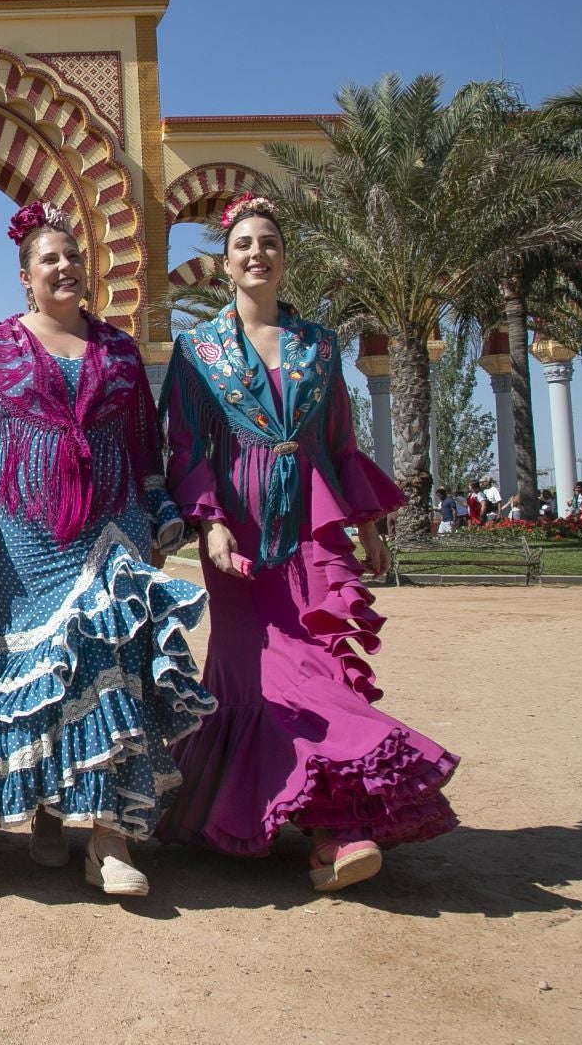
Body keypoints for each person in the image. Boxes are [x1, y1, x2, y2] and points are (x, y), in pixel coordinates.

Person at [157, 193, 458, 891]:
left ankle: (335, 831)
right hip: (237, 535)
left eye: (269, 242)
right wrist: (212, 521)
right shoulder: (198, 351)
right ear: (225, 266)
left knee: (320, 670)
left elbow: (340, 441)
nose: (257, 252)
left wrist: (370, 525)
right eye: (243, 245)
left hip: (313, 528)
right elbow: (184, 444)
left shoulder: (318, 347)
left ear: (285, 258)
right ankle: (303, 822)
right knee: (259, 676)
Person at [0, 203, 212, 898]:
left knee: (110, 660)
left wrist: (157, 515)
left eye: (72, 257)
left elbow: (145, 442)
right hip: (23, 536)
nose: (64, 267)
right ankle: (51, 811)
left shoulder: (116, 350)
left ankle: (109, 839)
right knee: (46, 670)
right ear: (25, 277)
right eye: (49, 259)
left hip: (114, 526)